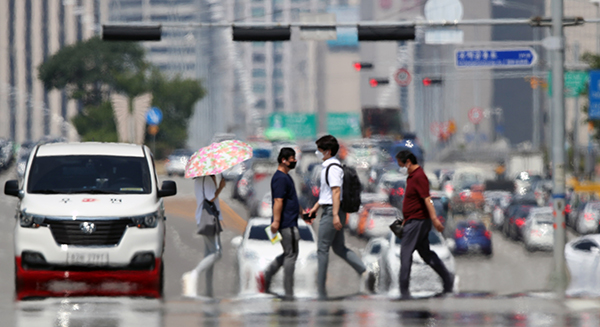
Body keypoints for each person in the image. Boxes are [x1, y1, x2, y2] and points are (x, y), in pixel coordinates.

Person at [308, 135, 372, 300]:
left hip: (333, 212)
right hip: (331, 210)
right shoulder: (328, 167)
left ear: (328, 151)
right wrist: (315, 209)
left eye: (320, 150)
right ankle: (364, 271)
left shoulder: (333, 168)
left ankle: (320, 289)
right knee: (338, 248)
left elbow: (336, 192)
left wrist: (335, 215)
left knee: (322, 249)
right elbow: (326, 194)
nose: (317, 153)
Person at [395, 150, 454, 299]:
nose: (401, 168)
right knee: (426, 253)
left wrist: (434, 219)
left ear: (408, 162)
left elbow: (427, 199)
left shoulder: (419, 177)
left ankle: (403, 290)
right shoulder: (413, 177)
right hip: (414, 220)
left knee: (405, 253)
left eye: (401, 165)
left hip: (417, 221)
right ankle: (447, 280)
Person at [257, 147, 302, 300]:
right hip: (285, 223)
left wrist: (303, 213)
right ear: (284, 160)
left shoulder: (286, 177)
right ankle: (289, 292)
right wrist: (276, 221)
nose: (294, 161)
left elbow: (292, 199)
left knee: (290, 254)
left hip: (291, 221)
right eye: (292, 159)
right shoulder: (280, 178)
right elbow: (278, 201)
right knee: (291, 255)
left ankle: (267, 275)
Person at [181, 174, 227, 298]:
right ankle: (194, 274)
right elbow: (211, 197)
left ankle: (208, 290)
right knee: (217, 253)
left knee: (209, 254)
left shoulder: (199, 180)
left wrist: (215, 184)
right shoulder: (206, 179)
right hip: (209, 218)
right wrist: (221, 187)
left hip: (203, 217)